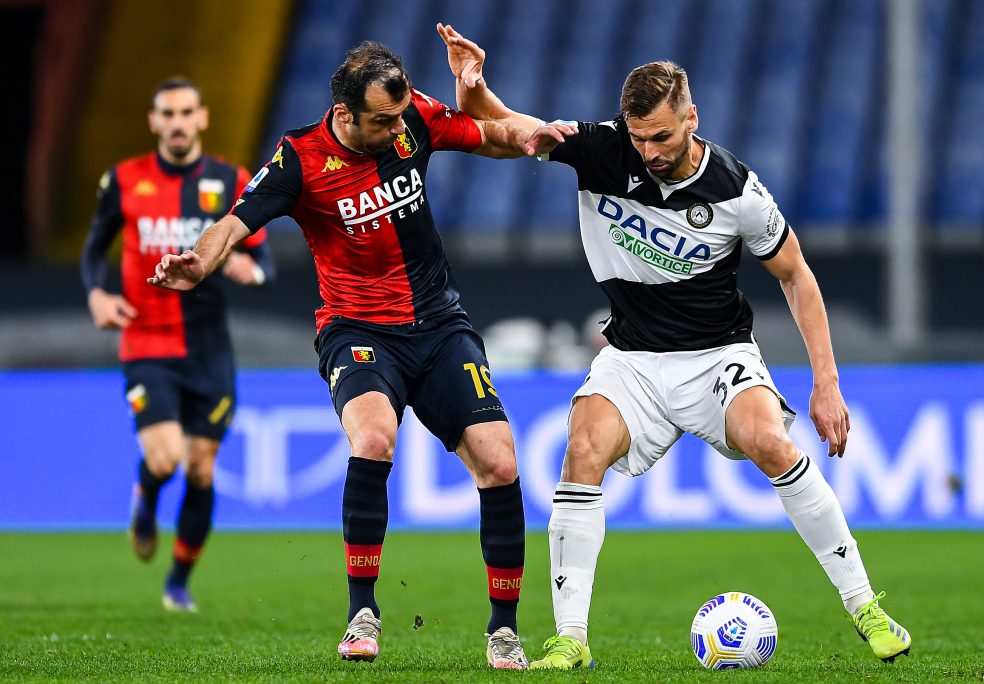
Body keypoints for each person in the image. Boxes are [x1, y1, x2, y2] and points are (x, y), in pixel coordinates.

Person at [437, 24, 913, 668]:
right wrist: (473, 86)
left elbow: (797, 276)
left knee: (772, 441)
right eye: (639, 138)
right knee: (581, 450)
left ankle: (865, 607)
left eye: (662, 136)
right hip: (632, 359)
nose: (650, 151)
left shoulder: (737, 191)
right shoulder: (602, 150)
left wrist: (826, 384)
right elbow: (499, 125)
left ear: (692, 117)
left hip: (719, 354)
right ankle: (570, 640)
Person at [147, 42, 573, 669]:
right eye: (383, 121)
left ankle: (504, 630)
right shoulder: (300, 158)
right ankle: (362, 613)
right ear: (344, 114)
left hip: (439, 323)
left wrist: (539, 135)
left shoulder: (411, 119)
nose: (399, 131)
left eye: (402, 119)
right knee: (373, 440)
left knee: (501, 462)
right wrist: (199, 263)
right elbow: (235, 223)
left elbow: (489, 134)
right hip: (357, 329)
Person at [81, 77, 275, 613]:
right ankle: (145, 497)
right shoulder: (123, 181)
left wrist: (247, 270)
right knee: (165, 460)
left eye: (187, 112)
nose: (178, 123)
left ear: (203, 118)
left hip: (209, 348)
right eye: (168, 113)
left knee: (202, 469)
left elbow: (266, 260)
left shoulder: (228, 180)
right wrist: (98, 294)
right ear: (154, 121)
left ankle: (178, 582)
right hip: (146, 339)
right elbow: (94, 250)